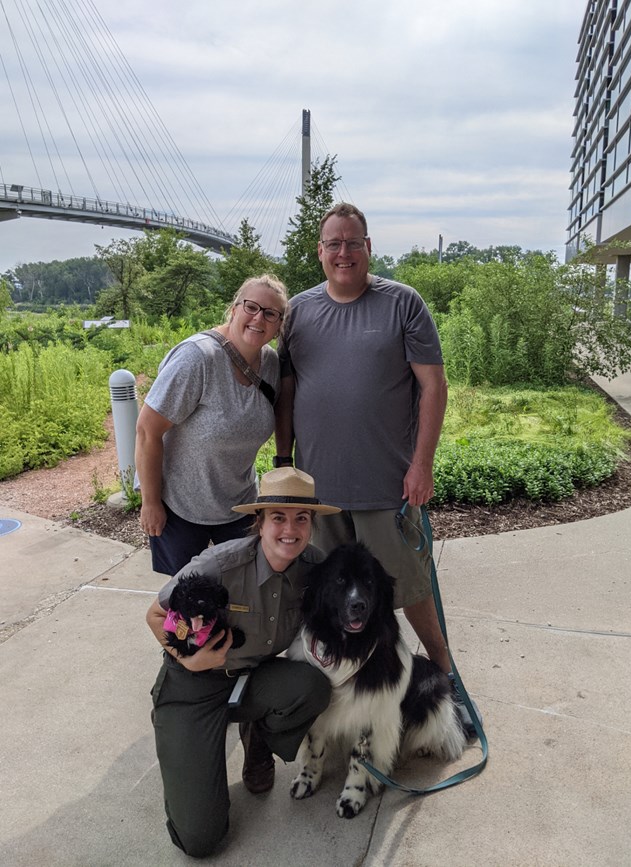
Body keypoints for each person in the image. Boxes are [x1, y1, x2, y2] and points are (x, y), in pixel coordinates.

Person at [274, 202, 481, 733]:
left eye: (352, 242)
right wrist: (282, 462)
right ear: (319, 252)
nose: (343, 252)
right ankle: (340, 690)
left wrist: (422, 465)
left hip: (388, 487)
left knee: (411, 591)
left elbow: (433, 386)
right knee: (326, 599)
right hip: (318, 494)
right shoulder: (297, 313)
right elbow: (288, 392)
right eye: (332, 244)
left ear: (369, 247)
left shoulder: (402, 304)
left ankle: (446, 675)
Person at [145, 467, 340, 859]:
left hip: (253, 677)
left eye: (302, 518)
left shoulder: (315, 569)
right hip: (193, 684)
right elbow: (154, 614)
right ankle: (195, 755)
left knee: (312, 688)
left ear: (312, 524)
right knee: (200, 839)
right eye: (279, 518)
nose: (291, 529)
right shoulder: (220, 564)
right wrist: (193, 659)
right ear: (259, 521)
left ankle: (258, 741)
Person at [135, 274, 288, 576]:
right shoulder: (198, 359)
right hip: (179, 507)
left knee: (241, 596)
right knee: (183, 603)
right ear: (234, 309)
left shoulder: (271, 365)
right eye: (251, 307)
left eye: (271, 313)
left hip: (239, 504)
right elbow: (146, 431)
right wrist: (150, 502)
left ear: (278, 326)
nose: (259, 318)